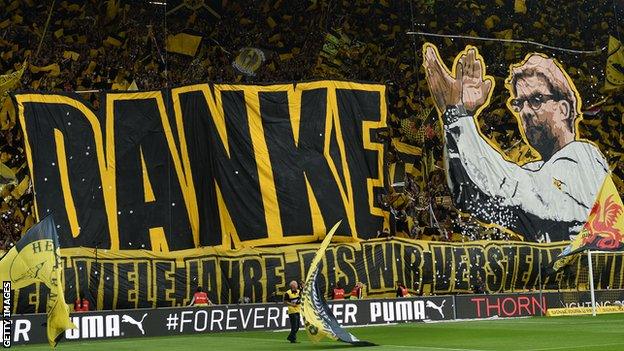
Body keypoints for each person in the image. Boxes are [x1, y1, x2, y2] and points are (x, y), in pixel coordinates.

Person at [423, 44, 609, 243]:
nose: (525, 112)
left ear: (563, 109)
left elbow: (519, 188)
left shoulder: (585, 157)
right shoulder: (537, 171)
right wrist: (453, 116)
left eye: (536, 99)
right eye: (519, 104)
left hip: (594, 271)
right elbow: (471, 198)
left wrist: (459, 115)